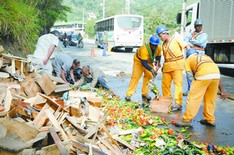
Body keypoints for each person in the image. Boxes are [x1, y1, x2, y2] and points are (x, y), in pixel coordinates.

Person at [175, 49, 228, 127]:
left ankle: (187, 120)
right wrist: (222, 91)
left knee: (193, 98)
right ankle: (209, 119)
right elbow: (216, 75)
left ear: (187, 56)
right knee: (210, 99)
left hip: (203, 74)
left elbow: (189, 76)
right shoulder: (207, 57)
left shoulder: (188, 60)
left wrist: (194, 86)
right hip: (216, 75)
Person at [156, 26, 190, 110]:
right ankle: (167, 102)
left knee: (178, 84)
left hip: (177, 65)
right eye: (159, 36)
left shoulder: (176, 39)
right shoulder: (163, 44)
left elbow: (187, 46)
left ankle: (178, 103)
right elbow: (165, 56)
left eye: (160, 36)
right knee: (165, 85)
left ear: (165, 33)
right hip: (167, 66)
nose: (160, 38)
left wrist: (191, 57)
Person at [125, 35, 161, 102]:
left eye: (156, 45)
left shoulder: (158, 48)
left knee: (149, 76)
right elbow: (144, 63)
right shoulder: (144, 49)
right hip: (139, 61)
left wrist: (158, 62)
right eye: (153, 45)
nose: (154, 47)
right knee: (135, 76)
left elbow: (158, 56)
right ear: (150, 43)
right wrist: (152, 69)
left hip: (149, 61)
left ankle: (145, 93)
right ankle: (129, 94)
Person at [183, 19, 208, 96]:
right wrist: (193, 41)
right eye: (197, 26)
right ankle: (190, 89)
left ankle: (200, 90)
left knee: (200, 72)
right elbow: (185, 41)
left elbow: (201, 43)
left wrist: (192, 41)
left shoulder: (204, 35)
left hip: (200, 55)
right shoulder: (190, 34)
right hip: (191, 54)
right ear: (195, 26)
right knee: (189, 72)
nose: (199, 27)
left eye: (200, 26)